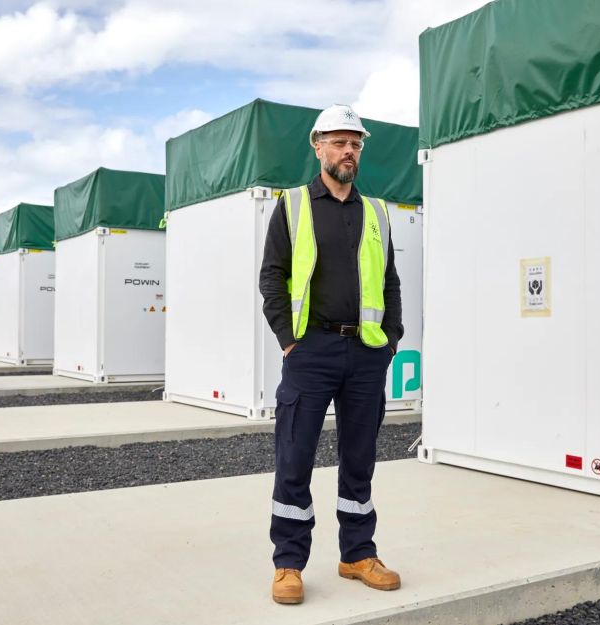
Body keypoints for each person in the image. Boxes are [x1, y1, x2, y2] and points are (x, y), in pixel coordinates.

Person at [259, 104, 403, 604]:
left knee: (359, 459)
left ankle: (357, 554)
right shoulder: (294, 204)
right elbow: (272, 276)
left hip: (365, 354)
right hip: (310, 351)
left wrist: (392, 340)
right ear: (317, 146)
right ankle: (288, 563)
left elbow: (389, 280)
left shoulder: (378, 212)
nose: (348, 151)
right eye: (339, 142)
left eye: (356, 143)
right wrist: (287, 340)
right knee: (294, 457)